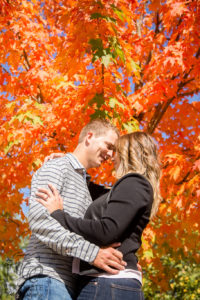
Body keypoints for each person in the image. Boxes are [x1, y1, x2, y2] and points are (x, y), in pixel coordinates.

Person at [36, 131, 161, 300]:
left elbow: (106, 230)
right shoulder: (131, 186)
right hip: (111, 284)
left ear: (128, 153)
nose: (111, 157)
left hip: (107, 283)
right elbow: (98, 192)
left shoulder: (134, 182)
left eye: (115, 151)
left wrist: (59, 215)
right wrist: (71, 164)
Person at [16, 119, 127, 300]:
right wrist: (92, 254)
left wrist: (127, 262)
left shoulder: (85, 183)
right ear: (89, 137)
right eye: (108, 145)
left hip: (68, 284)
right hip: (47, 280)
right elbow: (41, 222)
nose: (110, 153)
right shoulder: (56, 167)